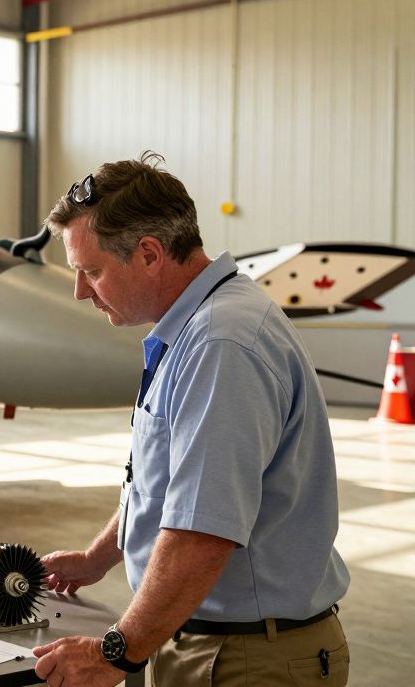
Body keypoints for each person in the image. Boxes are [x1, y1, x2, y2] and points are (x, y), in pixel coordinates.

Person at [31, 153, 350, 686]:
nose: (81, 292)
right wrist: (98, 556)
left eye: (92, 271)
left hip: (247, 659)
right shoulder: (199, 328)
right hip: (210, 641)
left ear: (150, 254)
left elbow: (203, 530)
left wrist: (114, 653)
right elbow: (169, 485)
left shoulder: (222, 344)